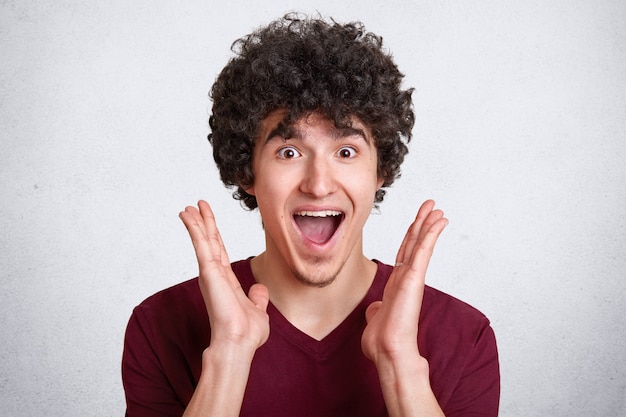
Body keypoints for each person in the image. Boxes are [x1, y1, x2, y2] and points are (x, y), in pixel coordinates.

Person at [122, 13, 500, 417]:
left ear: (380, 172)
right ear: (246, 172)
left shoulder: (463, 335)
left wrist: (399, 365)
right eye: (289, 152)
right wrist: (229, 356)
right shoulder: (160, 325)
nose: (319, 184)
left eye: (346, 152)